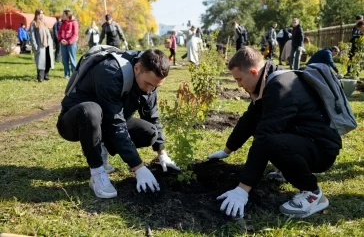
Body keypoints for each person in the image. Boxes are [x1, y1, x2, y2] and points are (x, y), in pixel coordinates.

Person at [207, 46, 342, 219]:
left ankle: (313, 193)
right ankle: (288, 169)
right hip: (306, 140)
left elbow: (264, 138)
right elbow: (250, 118)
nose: (239, 85)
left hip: (321, 150)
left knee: (270, 142)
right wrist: (227, 150)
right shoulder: (269, 80)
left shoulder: (280, 87)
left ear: (254, 72)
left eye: (239, 79)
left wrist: (243, 189)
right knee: (266, 134)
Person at [56, 49, 180, 199]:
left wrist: (162, 153)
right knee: (91, 111)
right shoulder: (110, 71)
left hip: (108, 118)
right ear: (137, 68)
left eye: (155, 86)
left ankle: (101, 145)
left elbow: (151, 117)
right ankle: (97, 173)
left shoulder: (150, 79)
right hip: (75, 122)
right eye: (148, 84)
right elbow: (115, 124)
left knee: (150, 132)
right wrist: (138, 167)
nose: (150, 90)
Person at [29, 9, 54, 82]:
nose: (41, 15)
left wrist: (50, 42)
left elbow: (48, 34)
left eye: (42, 13)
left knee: (48, 60)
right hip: (40, 45)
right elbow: (32, 35)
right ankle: (40, 77)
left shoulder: (45, 23)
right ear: (36, 14)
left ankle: (46, 75)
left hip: (47, 45)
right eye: (40, 14)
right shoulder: (34, 23)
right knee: (40, 61)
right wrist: (35, 45)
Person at [58, 9, 78, 79]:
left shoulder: (74, 22)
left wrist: (68, 41)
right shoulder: (62, 23)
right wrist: (61, 39)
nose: (62, 16)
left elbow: (75, 34)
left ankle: (75, 75)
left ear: (67, 15)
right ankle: (67, 74)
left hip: (71, 44)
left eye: (63, 14)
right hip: (63, 44)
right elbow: (59, 32)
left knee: (72, 60)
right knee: (64, 60)